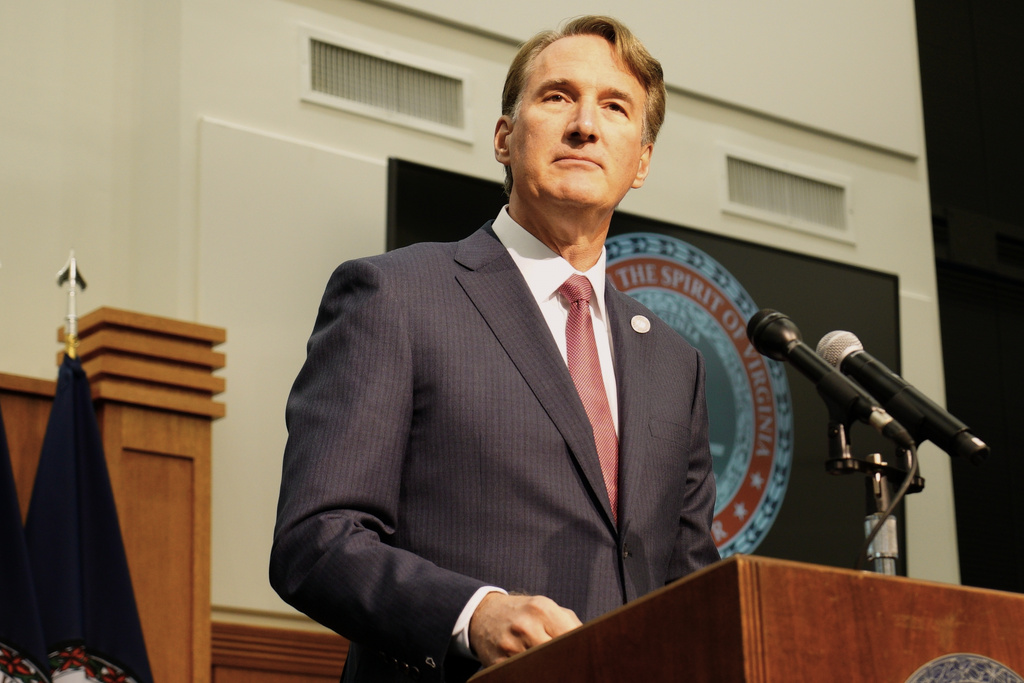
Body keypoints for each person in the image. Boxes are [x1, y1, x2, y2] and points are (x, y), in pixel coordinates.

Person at [270, 15, 719, 683]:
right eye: (557, 96)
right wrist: (471, 614)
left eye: (615, 107)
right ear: (505, 138)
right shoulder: (395, 295)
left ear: (642, 161)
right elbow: (318, 540)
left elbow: (691, 588)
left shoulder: (672, 362)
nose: (584, 125)